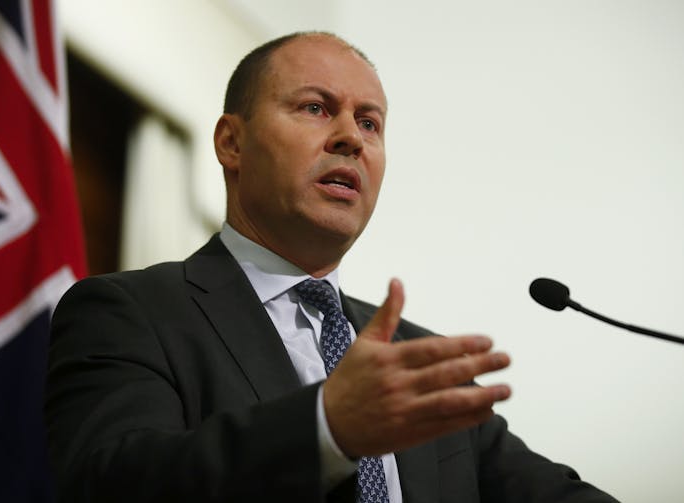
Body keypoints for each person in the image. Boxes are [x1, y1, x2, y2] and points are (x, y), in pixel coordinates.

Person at [45, 32, 617, 502]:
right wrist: (324, 427)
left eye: (370, 123)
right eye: (316, 108)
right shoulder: (132, 313)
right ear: (231, 142)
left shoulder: (417, 366)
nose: (350, 138)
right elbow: (110, 486)